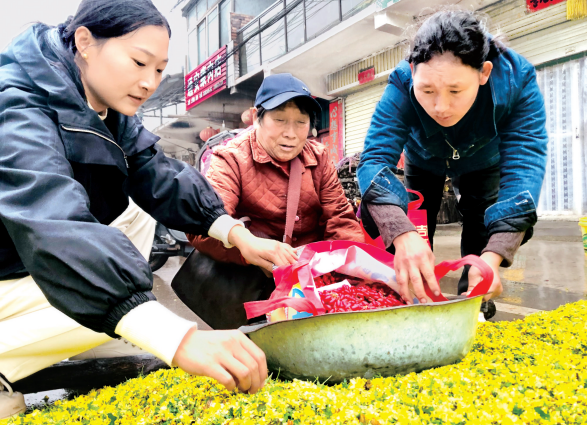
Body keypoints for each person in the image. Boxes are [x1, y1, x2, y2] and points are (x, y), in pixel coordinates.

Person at [0, 0, 289, 418]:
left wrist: (237, 234)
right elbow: (51, 220)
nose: (149, 82)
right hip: (22, 253)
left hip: (17, 261)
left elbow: (158, 173)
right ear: (85, 42)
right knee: (121, 300)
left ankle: (62, 341)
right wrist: (177, 338)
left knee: (133, 226)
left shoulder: (103, 104)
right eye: (139, 62)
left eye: (159, 69)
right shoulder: (17, 105)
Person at [358, 10, 548, 308]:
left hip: (483, 159)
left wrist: (493, 257)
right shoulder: (402, 82)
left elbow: (525, 164)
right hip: (423, 157)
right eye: (427, 90)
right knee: (416, 225)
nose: (441, 107)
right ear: (413, 71)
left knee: (480, 225)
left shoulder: (517, 80)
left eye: (455, 90)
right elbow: (374, 159)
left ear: (484, 73)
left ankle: (475, 301)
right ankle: (413, 296)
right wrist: (401, 233)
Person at [178, 73, 364, 329]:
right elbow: (202, 225)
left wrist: (351, 278)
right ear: (257, 117)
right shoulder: (231, 159)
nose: (291, 134)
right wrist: (250, 251)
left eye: (301, 122)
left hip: (308, 285)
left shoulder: (319, 158)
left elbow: (340, 218)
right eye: (279, 120)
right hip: (250, 283)